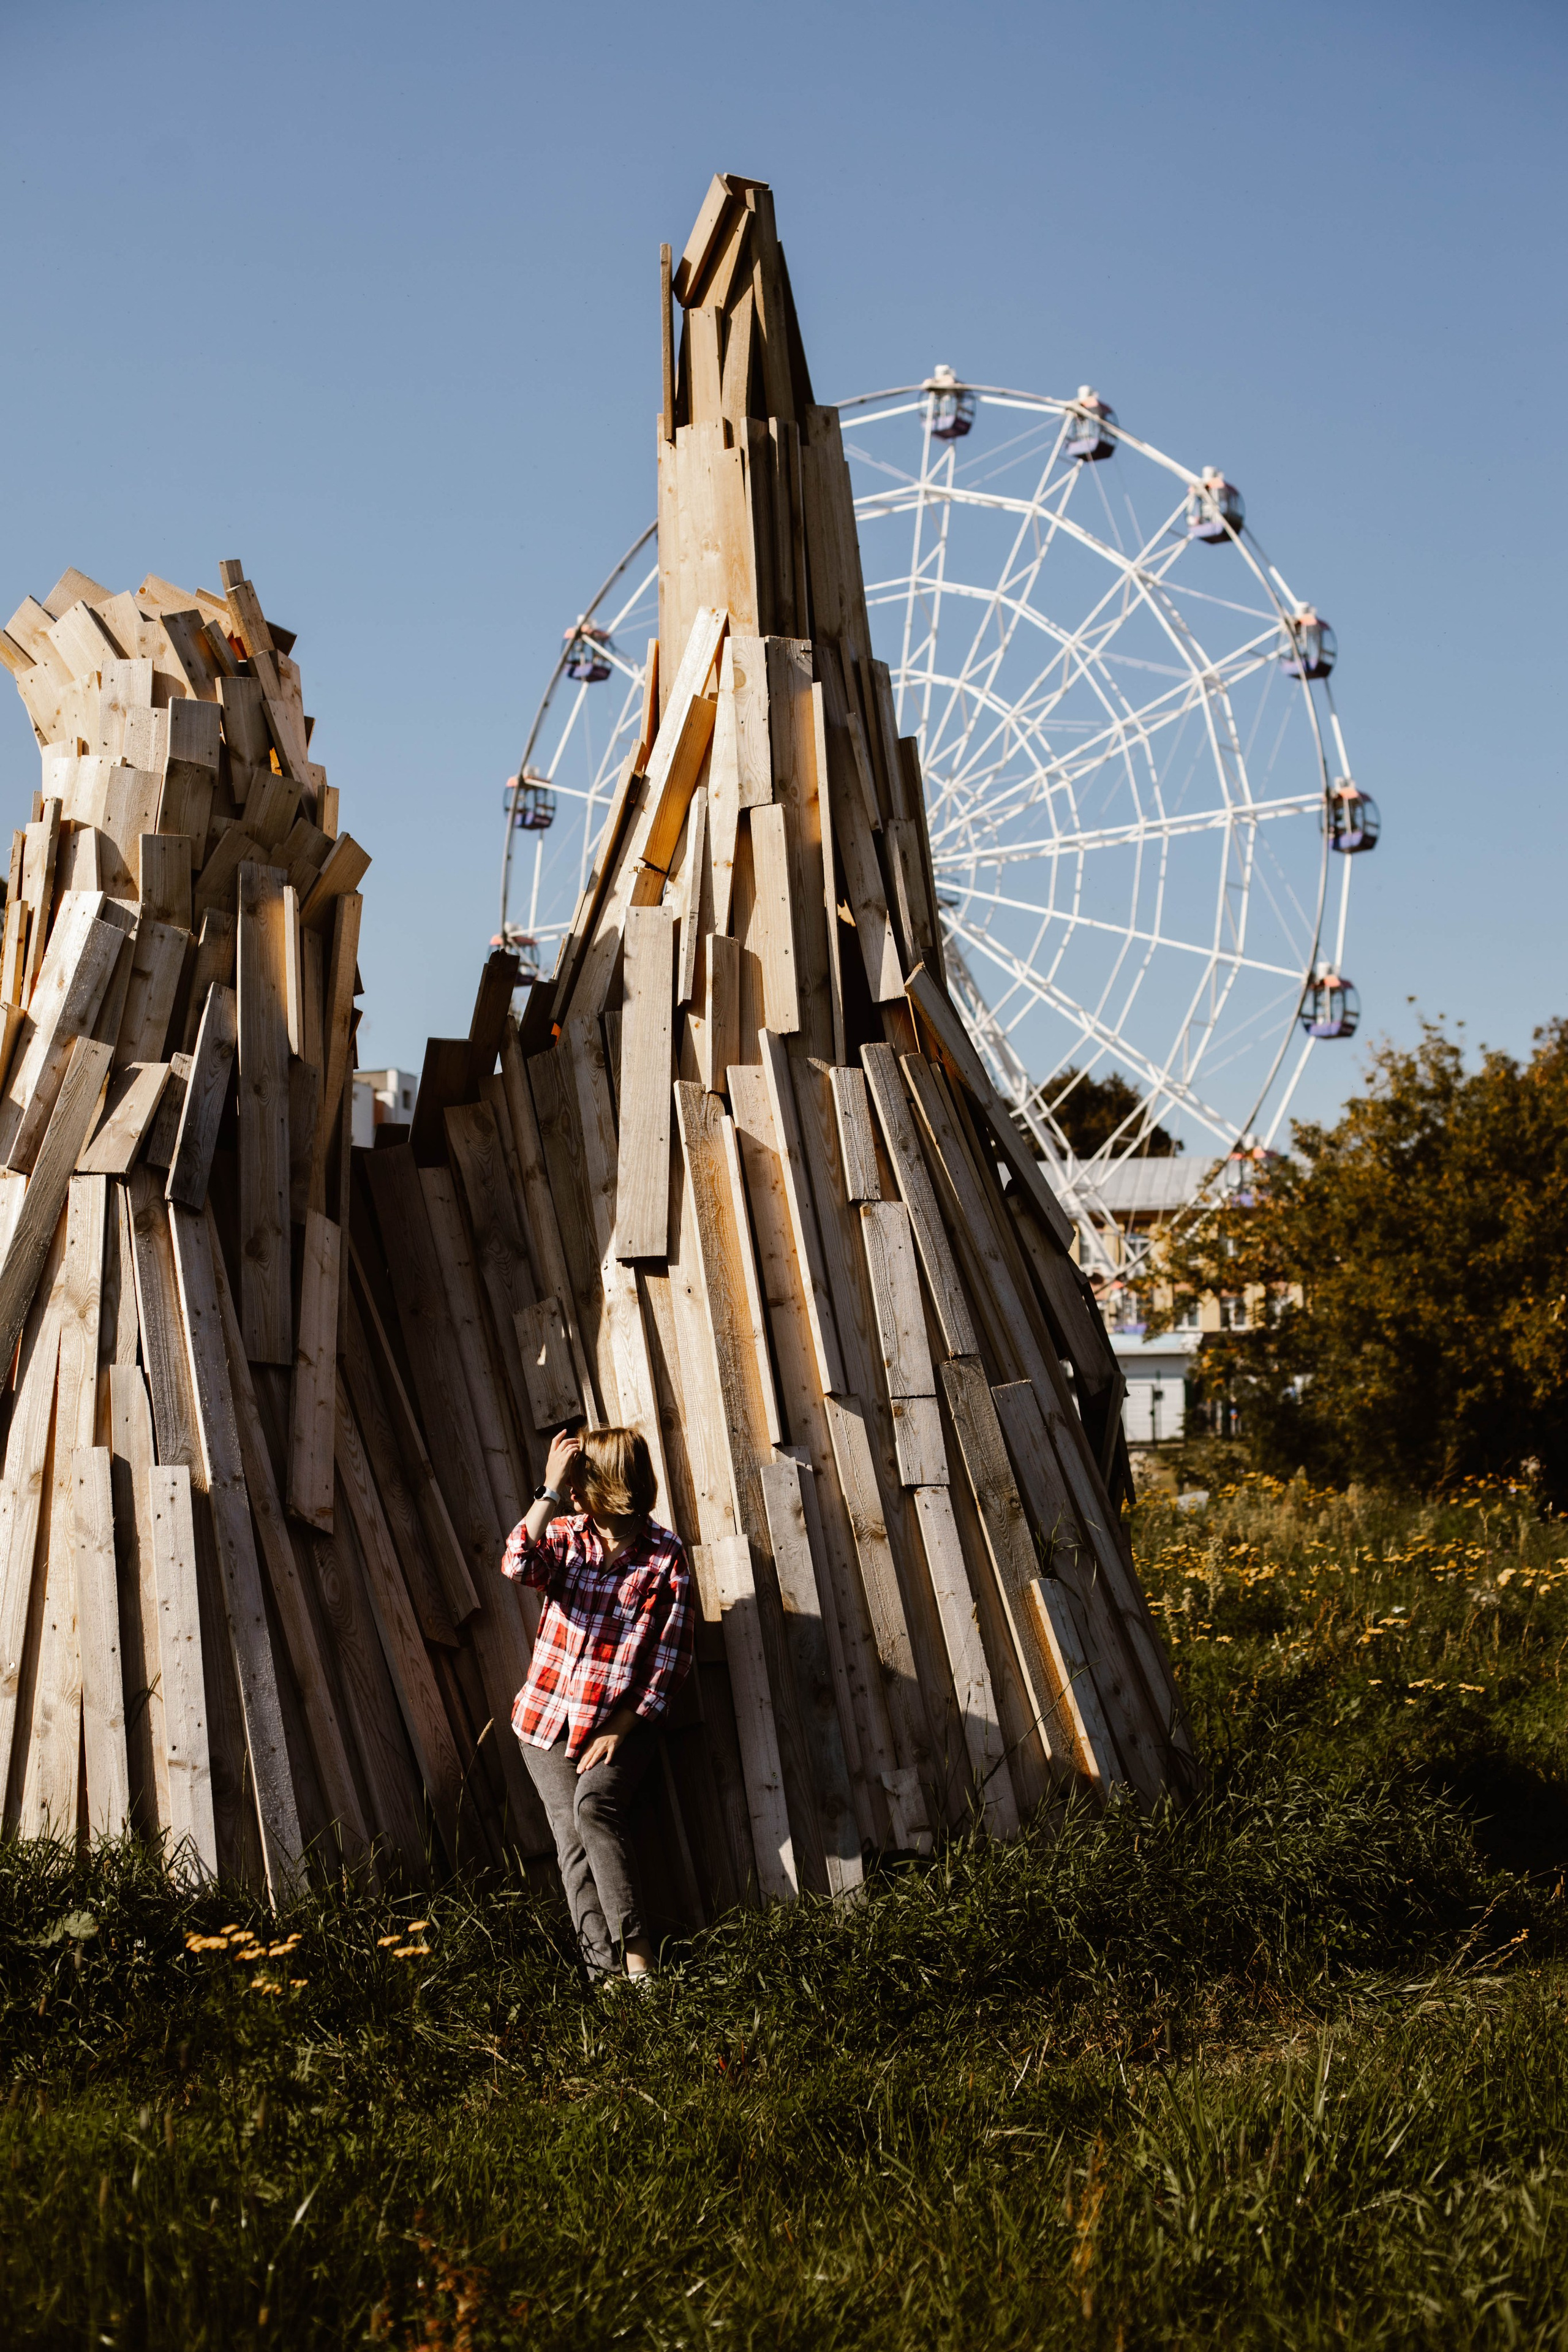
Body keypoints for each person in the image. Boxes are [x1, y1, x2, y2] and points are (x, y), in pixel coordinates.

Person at [500, 1424, 694, 1983]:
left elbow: (670, 1663)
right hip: (545, 1720)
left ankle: (639, 1961)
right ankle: (604, 1977)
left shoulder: (664, 1557)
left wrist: (621, 1730)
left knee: (594, 1809)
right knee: (570, 1836)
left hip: (618, 1724)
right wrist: (549, 1490)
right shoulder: (566, 1534)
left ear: (612, 1483)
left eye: (582, 1480)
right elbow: (517, 1564)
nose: (576, 1491)